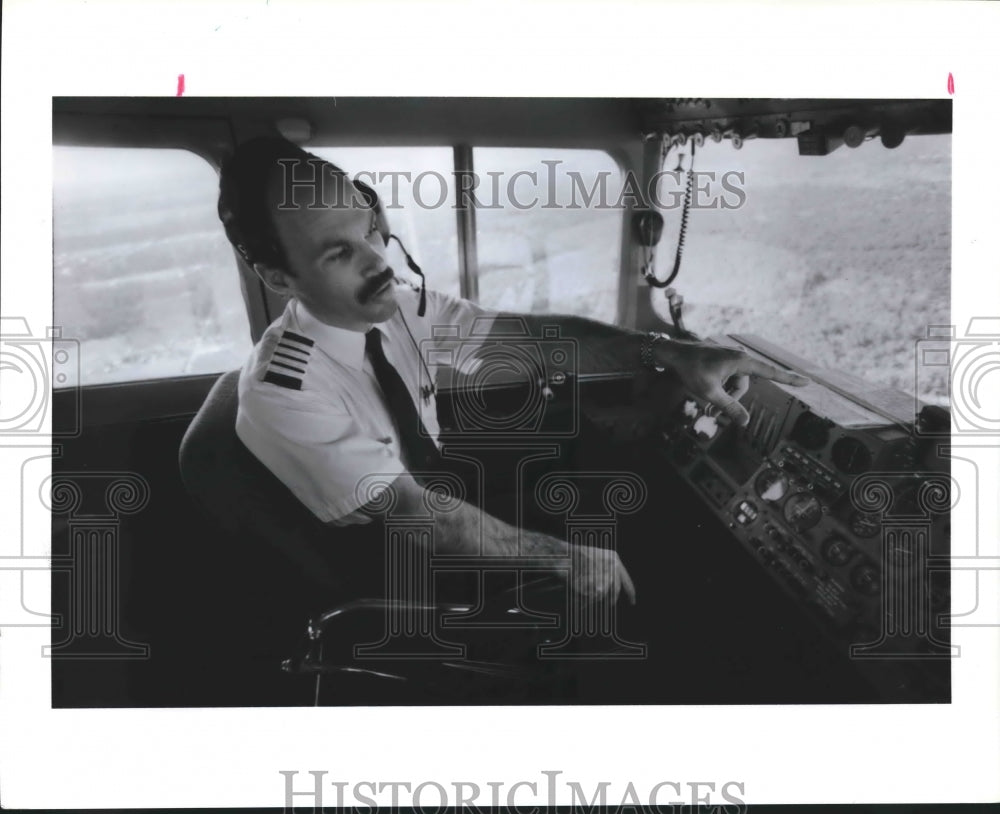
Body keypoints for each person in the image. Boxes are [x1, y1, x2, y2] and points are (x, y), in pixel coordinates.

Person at [217, 136, 807, 609]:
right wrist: (567, 558)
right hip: (402, 580)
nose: (378, 259)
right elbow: (416, 519)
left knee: (615, 490)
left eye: (369, 226)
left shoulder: (397, 310)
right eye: (338, 252)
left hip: (441, 502)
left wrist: (668, 351)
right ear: (279, 279)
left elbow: (532, 343)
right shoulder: (282, 391)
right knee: (641, 572)